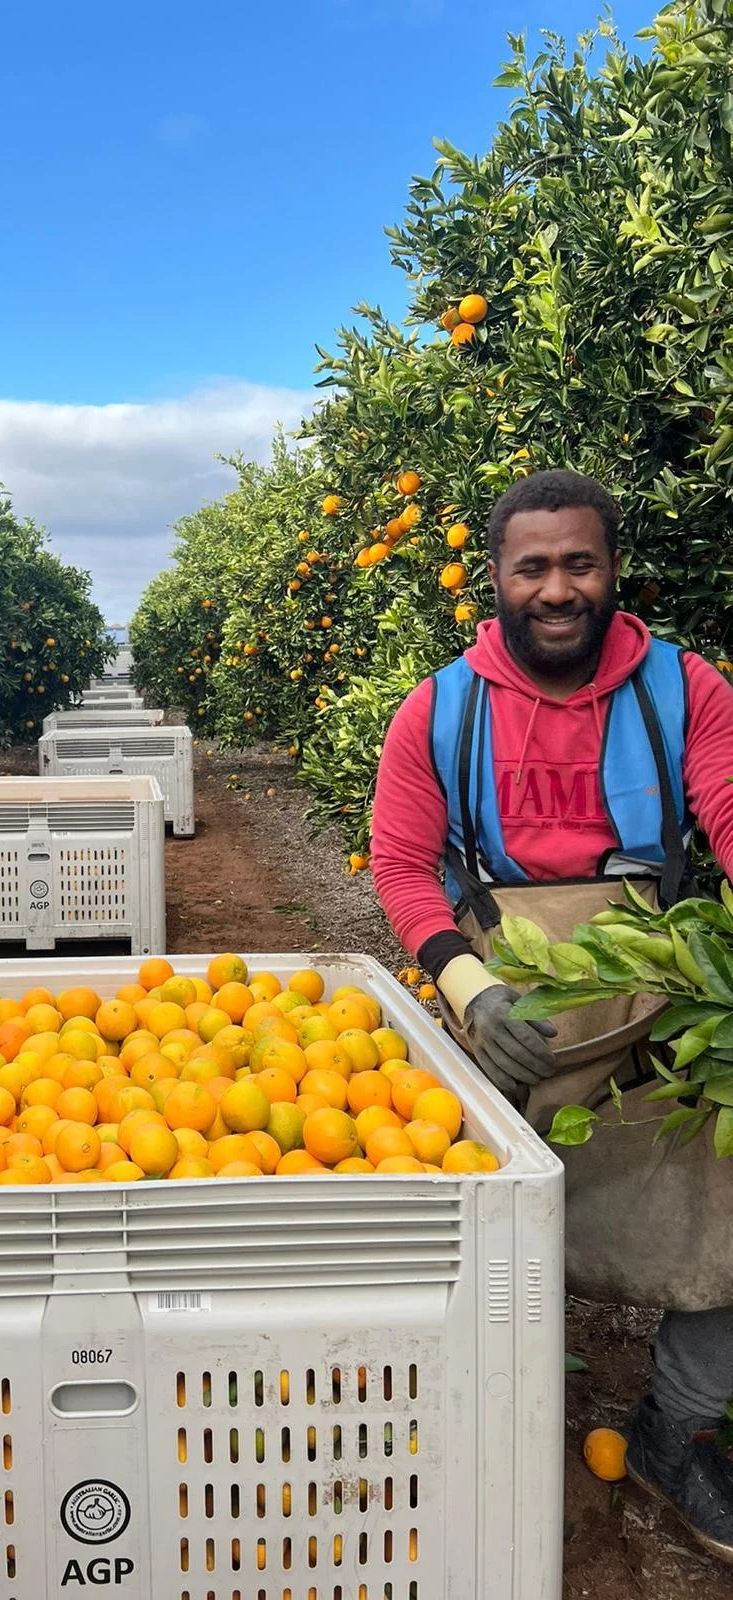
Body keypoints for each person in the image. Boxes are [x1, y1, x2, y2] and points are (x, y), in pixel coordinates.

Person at [371, 468, 733, 1561]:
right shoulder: (443, 707)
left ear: (613, 569)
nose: (558, 586)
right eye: (534, 566)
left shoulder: (685, 692)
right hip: (511, 1004)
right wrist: (467, 987)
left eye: (580, 562)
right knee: (457, 1221)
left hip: (661, 996)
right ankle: (466, 1429)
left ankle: (674, 1433)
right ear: (497, 578)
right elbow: (400, 865)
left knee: (726, 1197)